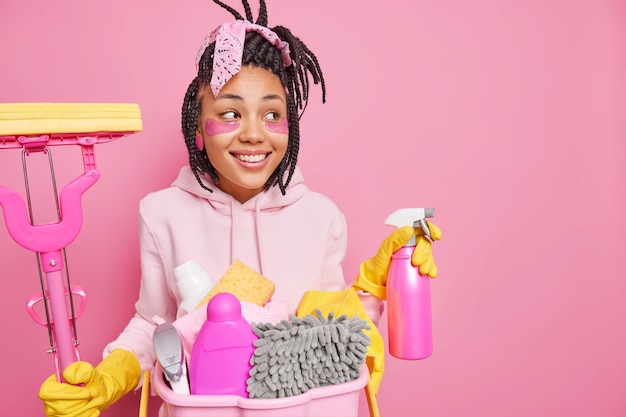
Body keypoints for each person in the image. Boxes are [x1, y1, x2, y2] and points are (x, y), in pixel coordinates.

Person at [37, 1, 441, 416]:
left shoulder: (321, 217)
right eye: (230, 113)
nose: (253, 134)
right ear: (197, 128)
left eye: (271, 114)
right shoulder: (162, 214)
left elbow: (332, 333)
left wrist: (382, 279)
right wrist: (109, 377)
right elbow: (156, 328)